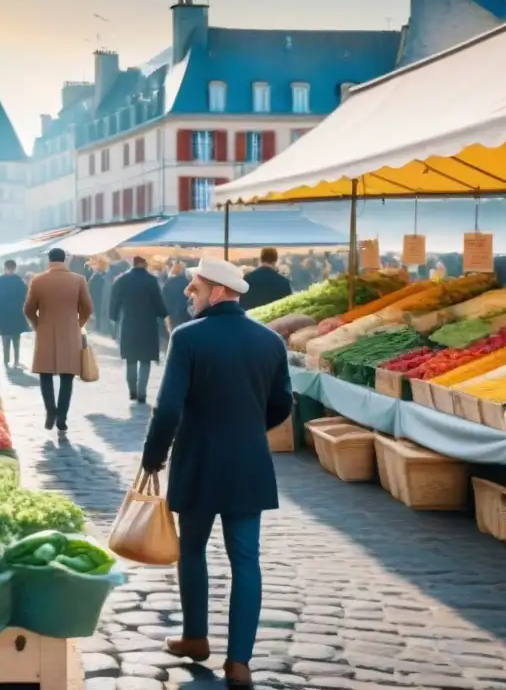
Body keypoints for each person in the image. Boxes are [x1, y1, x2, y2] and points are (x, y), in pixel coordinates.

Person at [140, 258, 292, 689]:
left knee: (192, 550)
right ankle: (239, 662)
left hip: (199, 459)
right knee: (246, 559)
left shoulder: (187, 337)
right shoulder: (269, 340)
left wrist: (154, 456)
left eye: (195, 287)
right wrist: (247, 427)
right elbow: (282, 404)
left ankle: (195, 637)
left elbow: (168, 407)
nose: (189, 293)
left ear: (220, 292)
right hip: (249, 461)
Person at [24, 248, 93, 432]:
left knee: (45, 374)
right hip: (70, 332)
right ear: (65, 260)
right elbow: (88, 307)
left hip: (45, 330)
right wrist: (78, 323)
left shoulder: (38, 280)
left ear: (49, 260)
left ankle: (50, 412)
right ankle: (62, 416)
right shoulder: (78, 280)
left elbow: (28, 309)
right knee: (67, 376)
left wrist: (38, 324)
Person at [109, 255, 167, 403]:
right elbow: (159, 305)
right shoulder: (152, 281)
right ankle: (142, 392)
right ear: (144, 264)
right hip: (147, 325)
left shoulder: (122, 280)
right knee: (145, 360)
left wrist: (113, 318)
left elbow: (114, 303)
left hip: (128, 324)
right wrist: (164, 314)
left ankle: (132, 391)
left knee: (131, 359)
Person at [0, 259, 29, 368]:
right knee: (16, 339)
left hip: (3, 314)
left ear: (5, 267)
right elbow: (24, 297)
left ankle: (6, 361)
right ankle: (16, 361)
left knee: (5, 339)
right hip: (16, 313)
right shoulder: (19, 281)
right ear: (15, 268)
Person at [240, 247, 292, 311]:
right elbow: (288, 306)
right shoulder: (283, 282)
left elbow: (242, 303)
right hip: (275, 318)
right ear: (275, 260)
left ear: (261, 259)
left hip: (251, 317)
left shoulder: (247, 278)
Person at [162, 260, 191, 333]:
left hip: (173, 319)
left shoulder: (167, 284)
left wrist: (168, 325)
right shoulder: (188, 283)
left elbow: (165, 305)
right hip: (186, 317)